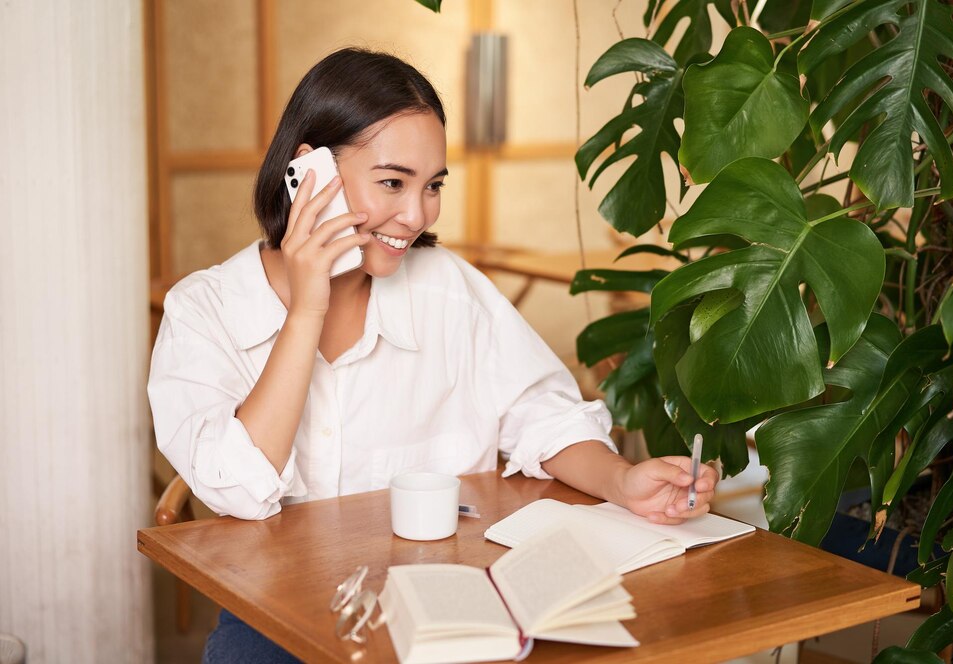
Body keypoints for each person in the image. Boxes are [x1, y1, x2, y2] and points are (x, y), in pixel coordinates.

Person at [148, 48, 718, 663]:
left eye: (433, 186)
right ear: (308, 174)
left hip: (453, 598)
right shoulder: (205, 310)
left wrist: (623, 481)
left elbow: (543, 415)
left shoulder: (448, 288)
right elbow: (234, 488)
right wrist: (307, 307)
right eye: (393, 182)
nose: (417, 215)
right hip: (277, 612)